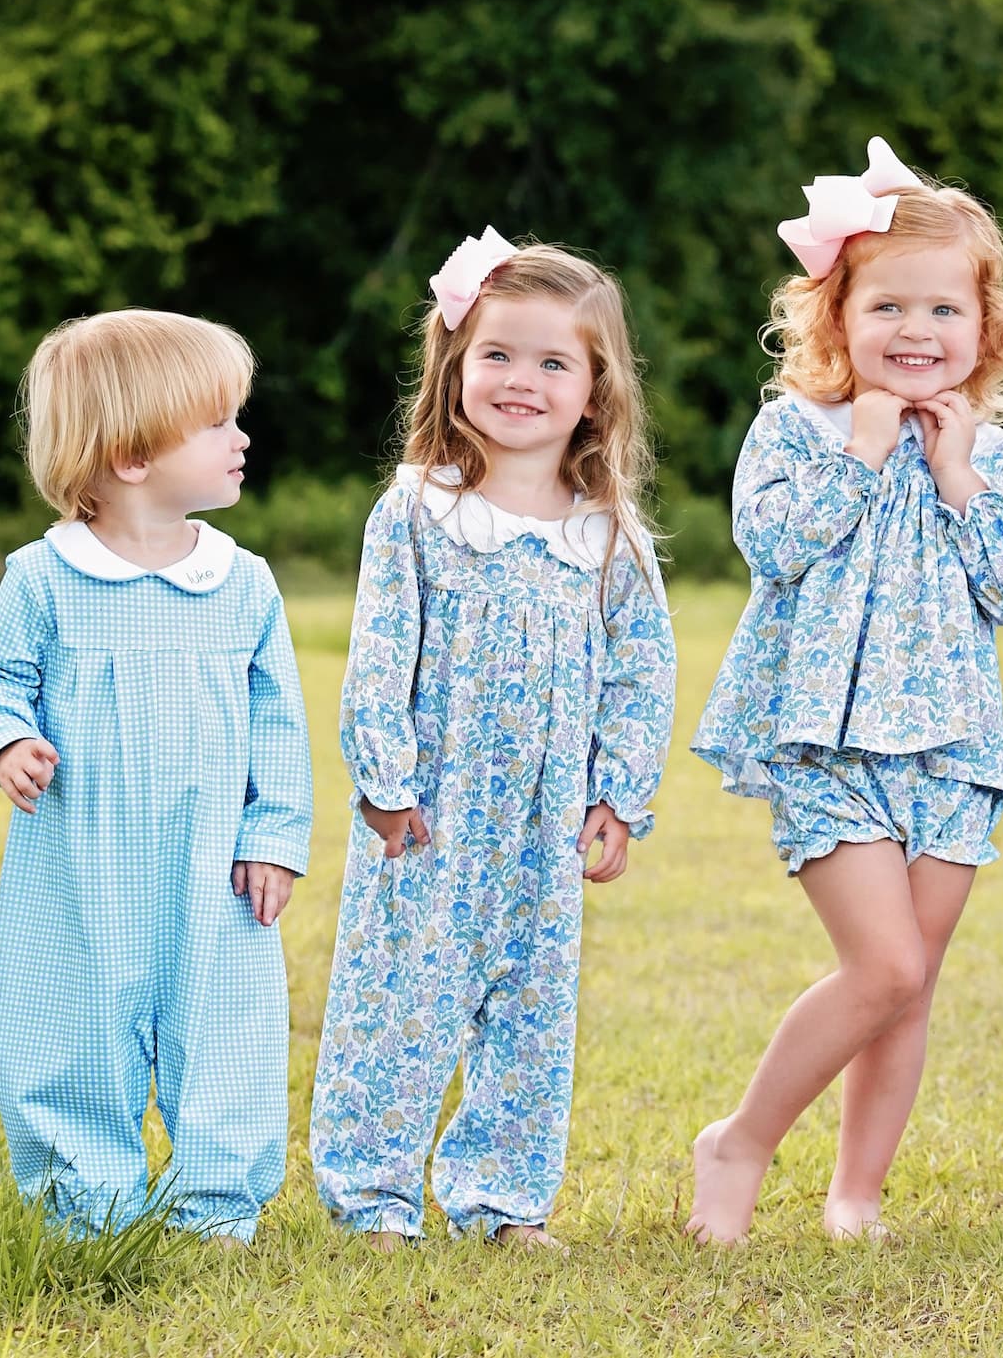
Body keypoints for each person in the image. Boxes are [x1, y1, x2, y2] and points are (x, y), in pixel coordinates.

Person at [686, 139, 1003, 1244]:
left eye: (943, 309)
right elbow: (772, 546)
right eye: (886, 305)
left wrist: (956, 474)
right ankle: (740, 1140)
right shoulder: (795, 432)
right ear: (836, 317)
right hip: (828, 740)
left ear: (985, 327)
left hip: (950, 747)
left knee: (913, 979)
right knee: (883, 963)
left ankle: (856, 1193)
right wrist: (859, 451)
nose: (915, 330)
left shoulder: (999, 457)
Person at [309, 230, 676, 1250]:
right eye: (498, 355)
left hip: (546, 818)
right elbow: (381, 650)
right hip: (431, 806)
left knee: (530, 1008)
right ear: (456, 367)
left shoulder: (608, 533)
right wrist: (384, 778)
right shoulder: (420, 510)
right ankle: (372, 1196)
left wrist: (618, 794)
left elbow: (643, 669)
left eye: (554, 362)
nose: (522, 379)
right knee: (400, 996)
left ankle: (502, 1199)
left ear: (595, 391)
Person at [0, 309, 313, 1244]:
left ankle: (217, 1210)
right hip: (77, 863)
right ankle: (88, 1208)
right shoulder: (44, 578)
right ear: (131, 455)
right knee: (71, 1025)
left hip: (216, 869)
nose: (242, 438)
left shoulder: (242, 583)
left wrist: (273, 836)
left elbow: (278, 721)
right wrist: (8, 740)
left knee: (226, 1028)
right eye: (217, 422)